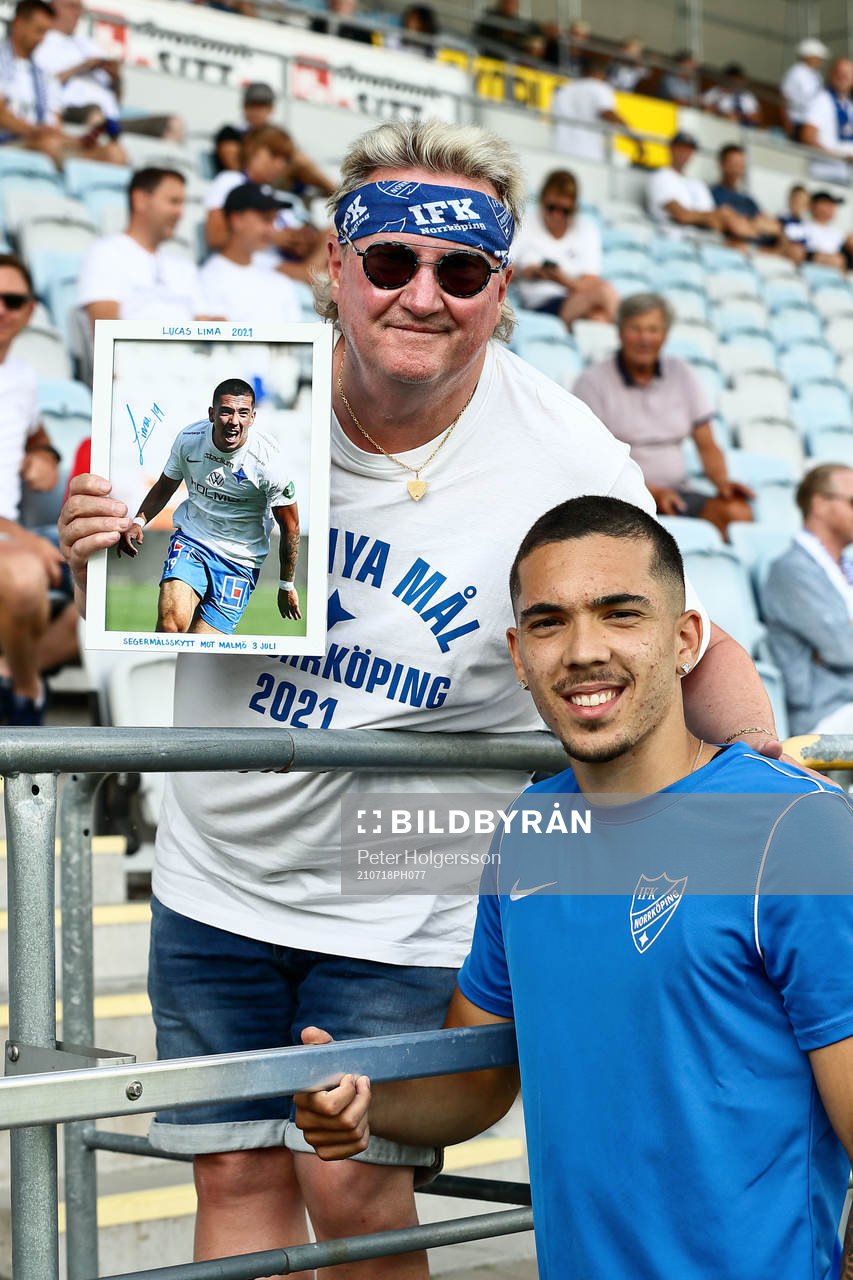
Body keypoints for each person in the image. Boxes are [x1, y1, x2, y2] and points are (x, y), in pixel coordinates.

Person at [60, 118, 783, 1278]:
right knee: (235, 1171)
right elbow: (137, 542)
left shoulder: (567, 453)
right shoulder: (234, 397)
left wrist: (769, 813)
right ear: (335, 269)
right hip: (217, 870)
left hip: (405, 882)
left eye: (460, 270)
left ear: (500, 287)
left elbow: (681, 643)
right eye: (389, 262)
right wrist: (102, 536)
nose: (421, 295)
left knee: (355, 1183)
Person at [294, 493, 853, 1280]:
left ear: (685, 639)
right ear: (518, 655)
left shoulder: (796, 830)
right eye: (550, 623)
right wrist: (360, 1100)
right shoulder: (527, 831)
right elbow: (481, 1080)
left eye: (621, 614)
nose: (583, 650)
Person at [118, 378, 300, 635]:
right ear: (212, 413)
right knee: (170, 626)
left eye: (243, 413)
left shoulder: (269, 462)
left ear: (253, 417)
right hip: (193, 539)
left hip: (240, 560)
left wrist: (286, 585)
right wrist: (138, 521)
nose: (234, 420)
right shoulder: (190, 439)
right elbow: (164, 486)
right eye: (226, 411)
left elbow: (290, 526)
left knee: (200, 653)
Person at [573, 292, 754, 537]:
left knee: (737, 513)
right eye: (635, 329)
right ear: (619, 332)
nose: (644, 338)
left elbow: (707, 444)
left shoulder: (683, 374)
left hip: (677, 494)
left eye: (653, 330)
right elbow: (592, 458)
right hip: (619, 497)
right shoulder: (592, 382)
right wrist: (649, 491)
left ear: (665, 335)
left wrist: (723, 483)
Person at [0, 254, 72, 726]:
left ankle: (11, 673)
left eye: (12, 300)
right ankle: (24, 695)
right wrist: (20, 539)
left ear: (29, 312)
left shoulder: (22, 377)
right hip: (11, 539)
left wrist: (45, 455)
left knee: (110, 575)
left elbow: (34, 433)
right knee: (26, 578)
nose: (1, 309)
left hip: (13, 535)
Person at [763, 463, 853, 734]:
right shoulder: (791, 570)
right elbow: (844, 649)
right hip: (825, 710)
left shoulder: (845, 567)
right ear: (820, 504)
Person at [77, 167, 205, 331]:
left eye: (182, 203)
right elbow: (105, 333)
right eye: (173, 201)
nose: (180, 212)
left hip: (191, 355)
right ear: (140, 200)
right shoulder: (106, 254)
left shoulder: (184, 266)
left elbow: (205, 326)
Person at [0, 0, 125, 167]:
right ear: (19, 24)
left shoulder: (44, 75)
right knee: (50, 145)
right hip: (10, 143)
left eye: (46, 32)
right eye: (39, 31)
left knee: (114, 153)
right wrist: (34, 131)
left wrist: (79, 141)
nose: (42, 39)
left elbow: (54, 126)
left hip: (43, 142)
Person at [34, 0, 180, 141]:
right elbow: (42, 87)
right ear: (53, 8)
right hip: (74, 111)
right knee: (95, 114)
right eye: (71, 6)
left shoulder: (90, 45)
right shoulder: (42, 43)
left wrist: (115, 77)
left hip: (111, 117)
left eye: (79, 7)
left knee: (173, 125)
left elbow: (117, 100)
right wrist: (81, 66)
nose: (77, 13)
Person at [204, 125, 333, 282]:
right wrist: (271, 237)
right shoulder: (229, 181)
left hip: (281, 262)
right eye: (273, 155)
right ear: (252, 150)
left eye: (285, 159)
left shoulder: (271, 192)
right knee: (323, 280)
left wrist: (300, 241)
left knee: (333, 233)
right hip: (254, 261)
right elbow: (215, 237)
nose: (279, 164)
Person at [512, 168, 616, 326]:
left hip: (571, 298)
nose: (557, 215)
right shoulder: (524, 223)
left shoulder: (587, 229)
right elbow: (505, 270)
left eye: (565, 211)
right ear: (542, 202)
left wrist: (560, 279)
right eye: (551, 208)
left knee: (599, 316)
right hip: (540, 303)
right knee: (604, 295)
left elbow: (591, 279)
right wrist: (529, 273)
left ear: (574, 208)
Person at [199, 183, 303, 324]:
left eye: (273, 221)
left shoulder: (281, 282)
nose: (271, 230)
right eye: (265, 219)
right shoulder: (207, 280)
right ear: (237, 219)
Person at [647, 131, 756, 239]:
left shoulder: (697, 184)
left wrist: (715, 216)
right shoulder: (661, 176)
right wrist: (717, 215)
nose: (684, 153)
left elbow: (715, 223)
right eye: (680, 148)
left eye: (689, 149)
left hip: (703, 243)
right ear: (671, 148)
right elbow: (682, 215)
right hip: (672, 240)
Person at [710, 142, 805, 261]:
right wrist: (754, 226)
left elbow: (775, 227)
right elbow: (733, 226)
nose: (737, 169)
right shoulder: (711, 193)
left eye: (740, 165)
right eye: (733, 164)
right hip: (731, 250)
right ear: (721, 164)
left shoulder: (748, 200)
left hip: (758, 251)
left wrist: (749, 225)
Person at [551, 54, 642, 164]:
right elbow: (608, 114)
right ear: (601, 73)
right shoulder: (599, 88)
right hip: (587, 155)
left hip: (558, 150)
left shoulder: (564, 89)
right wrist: (635, 139)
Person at [802, 57, 853, 161]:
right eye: (839, 73)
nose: (843, 77)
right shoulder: (822, 100)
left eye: (847, 74)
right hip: (826, 169)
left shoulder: (849, 106)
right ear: (831, 75)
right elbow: (807, 137)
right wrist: (838, 158)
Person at [781, 37, 829, 140]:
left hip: (813, 122)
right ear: (808, 56)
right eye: (818, 57)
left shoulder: (817, 75)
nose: (820, 61)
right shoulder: (795, 72)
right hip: (797, 122)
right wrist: (787, 124)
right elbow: (784, 99)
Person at [797, 188, 853, 271]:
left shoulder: (839, 233)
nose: (833, 208)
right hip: (811, 270)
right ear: (813, 205)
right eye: (828, 204)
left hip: (840, 274)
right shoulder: (801, 227)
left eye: (833, 205)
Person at [701, 62, 762, 127]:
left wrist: (739, 116)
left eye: (738, 80)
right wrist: (720, 113)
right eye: (731, 80)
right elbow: (703, 106)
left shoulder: (747, 96)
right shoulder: (716, 91)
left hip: (739, 127)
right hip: (716, 124)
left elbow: (757, 118)